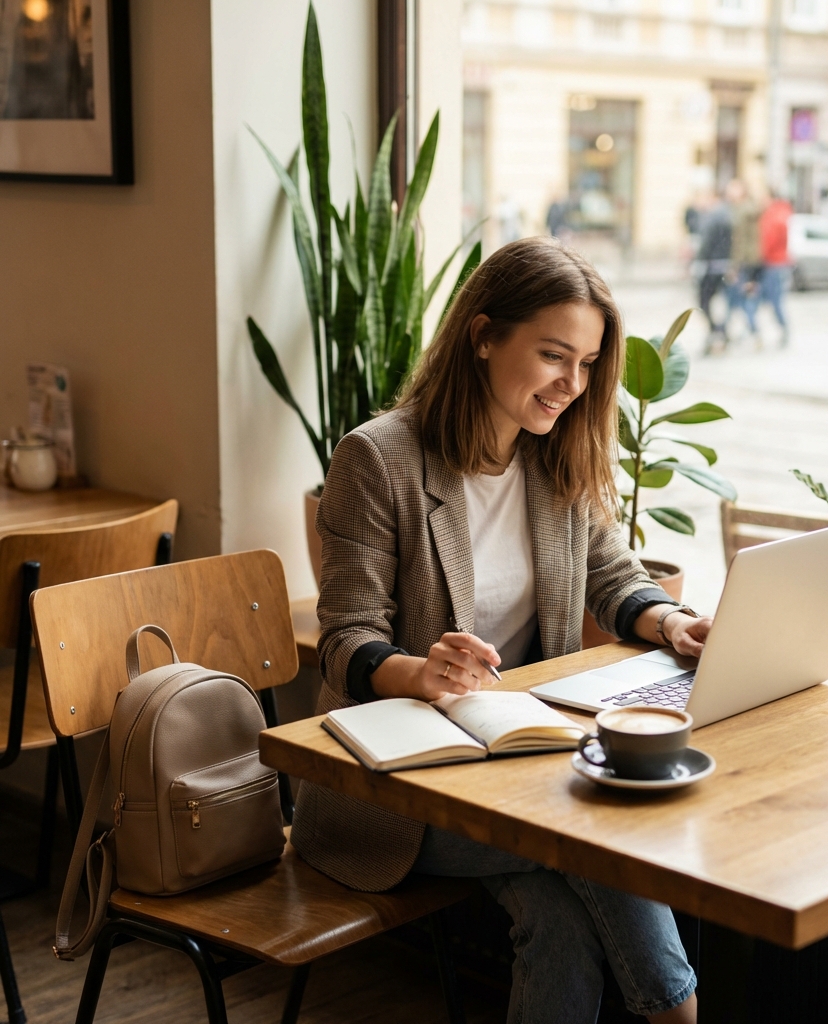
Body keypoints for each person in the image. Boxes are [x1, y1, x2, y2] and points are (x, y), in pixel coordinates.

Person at [291, 236, 709, 1024]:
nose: (572, 386)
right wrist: (418, 671)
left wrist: (674, 624)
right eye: (555, 356)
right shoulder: (378, 460)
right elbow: (345, 637)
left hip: (524, 768)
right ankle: (678, 1016)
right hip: (401, 794)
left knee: (559, 915)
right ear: (484, 336)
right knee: (604, 844)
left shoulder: (558, 456)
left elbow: (615, 577)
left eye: (587, 365)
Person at [725, 179, 763, 343]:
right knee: (741, 297)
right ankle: (748, 332)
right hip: (751, 260)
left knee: (738, 297)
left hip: (744, 261)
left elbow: (738, 241)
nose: (729, 191)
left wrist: (734, 265)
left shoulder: (741, 211)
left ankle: (752, 332)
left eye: (733, 188)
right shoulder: (746, 209)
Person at [695, 193, 732, 353]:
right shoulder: (727, 215)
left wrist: (698, 260)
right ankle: (721, 330)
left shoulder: (713, 217)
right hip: (723, 264)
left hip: (711, 266)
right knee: (725, 302)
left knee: (703, 302)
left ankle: (717, 330)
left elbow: (706, 243)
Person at [759, 189, 792, 347]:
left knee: (774, 299)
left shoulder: (774, 215)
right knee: (771, 299)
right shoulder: (781, 213)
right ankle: (754, 330)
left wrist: (761, 254)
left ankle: (783, 329)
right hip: (777, 262)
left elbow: (769, 239)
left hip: (774, 263)